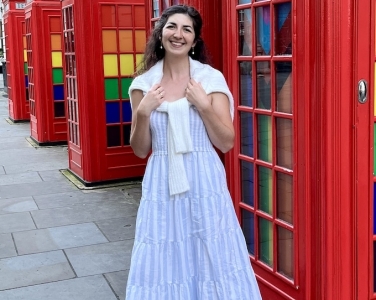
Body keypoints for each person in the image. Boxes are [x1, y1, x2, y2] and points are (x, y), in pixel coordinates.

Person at [125, 4, 262, 300]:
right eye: (172, 27)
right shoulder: (143, 86)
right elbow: (140, 149)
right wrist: (144, 114)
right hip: (162, 180)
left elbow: (226, 141)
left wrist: (203, 105)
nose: (179, 34)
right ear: (160, 34)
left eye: (187, 29)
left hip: (204, 178)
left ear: (195, 40)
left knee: (211, 247)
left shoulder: (210, 80)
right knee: (163, 248)